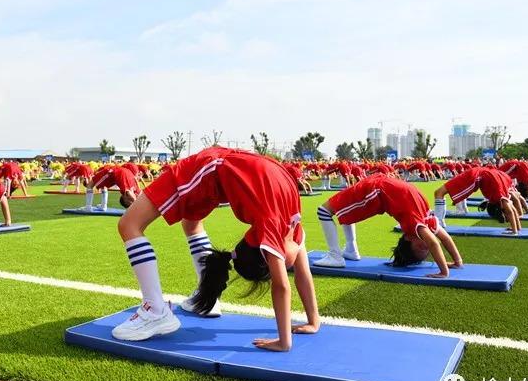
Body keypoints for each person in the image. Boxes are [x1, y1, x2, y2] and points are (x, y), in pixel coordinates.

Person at [111, 147, 320, 351]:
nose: (289, 265)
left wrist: (299, 332)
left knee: (129, 225)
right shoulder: (284, 228)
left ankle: (154, 310)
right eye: (284, 264)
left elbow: (291, 280)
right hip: (216, 170)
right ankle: (205, 299)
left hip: (211, 167)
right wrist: (300, 331)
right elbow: (289, 280)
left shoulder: (284, 227)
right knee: (190, 224)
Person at [314, 174, 463, 274]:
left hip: (376, 190)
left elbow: (435, 243)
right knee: (345, 211)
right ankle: (349, 251)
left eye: (421, 246)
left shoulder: (413, 226)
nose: (427, 243)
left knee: (324, 211)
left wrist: (445, 270)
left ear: (408, 238)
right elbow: (442, 239)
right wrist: (455, 263)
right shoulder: (426, 222)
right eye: (426, 247)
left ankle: (336, 256)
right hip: (378, 186)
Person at [433, 166, 528, 234]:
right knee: (438, 193)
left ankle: (439, 223)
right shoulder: (501, 194)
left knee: (439, 193)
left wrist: (515, 228)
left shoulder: (503, 189)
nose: (507, 217)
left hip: (481, 174)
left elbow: (511, 209)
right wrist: (515, 230)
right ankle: (440, 222)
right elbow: (510, 210)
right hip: (477, 174)